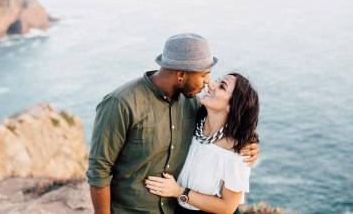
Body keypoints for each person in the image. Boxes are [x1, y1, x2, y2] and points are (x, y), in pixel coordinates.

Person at [87, 33, 260, 214]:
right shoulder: (121, 103)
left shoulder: (193, 102)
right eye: (204, 75)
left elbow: (230, 125)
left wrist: (250, 143)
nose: (208, 83)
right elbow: (99, 171)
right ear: (181, 75)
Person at [144, 73, 259, 214]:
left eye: (222, 86)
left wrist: (178, 191)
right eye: (217, 81)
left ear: (232, 106)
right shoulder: (192, 122)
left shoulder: (236, 152)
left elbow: (227, 207)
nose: (210, 85)